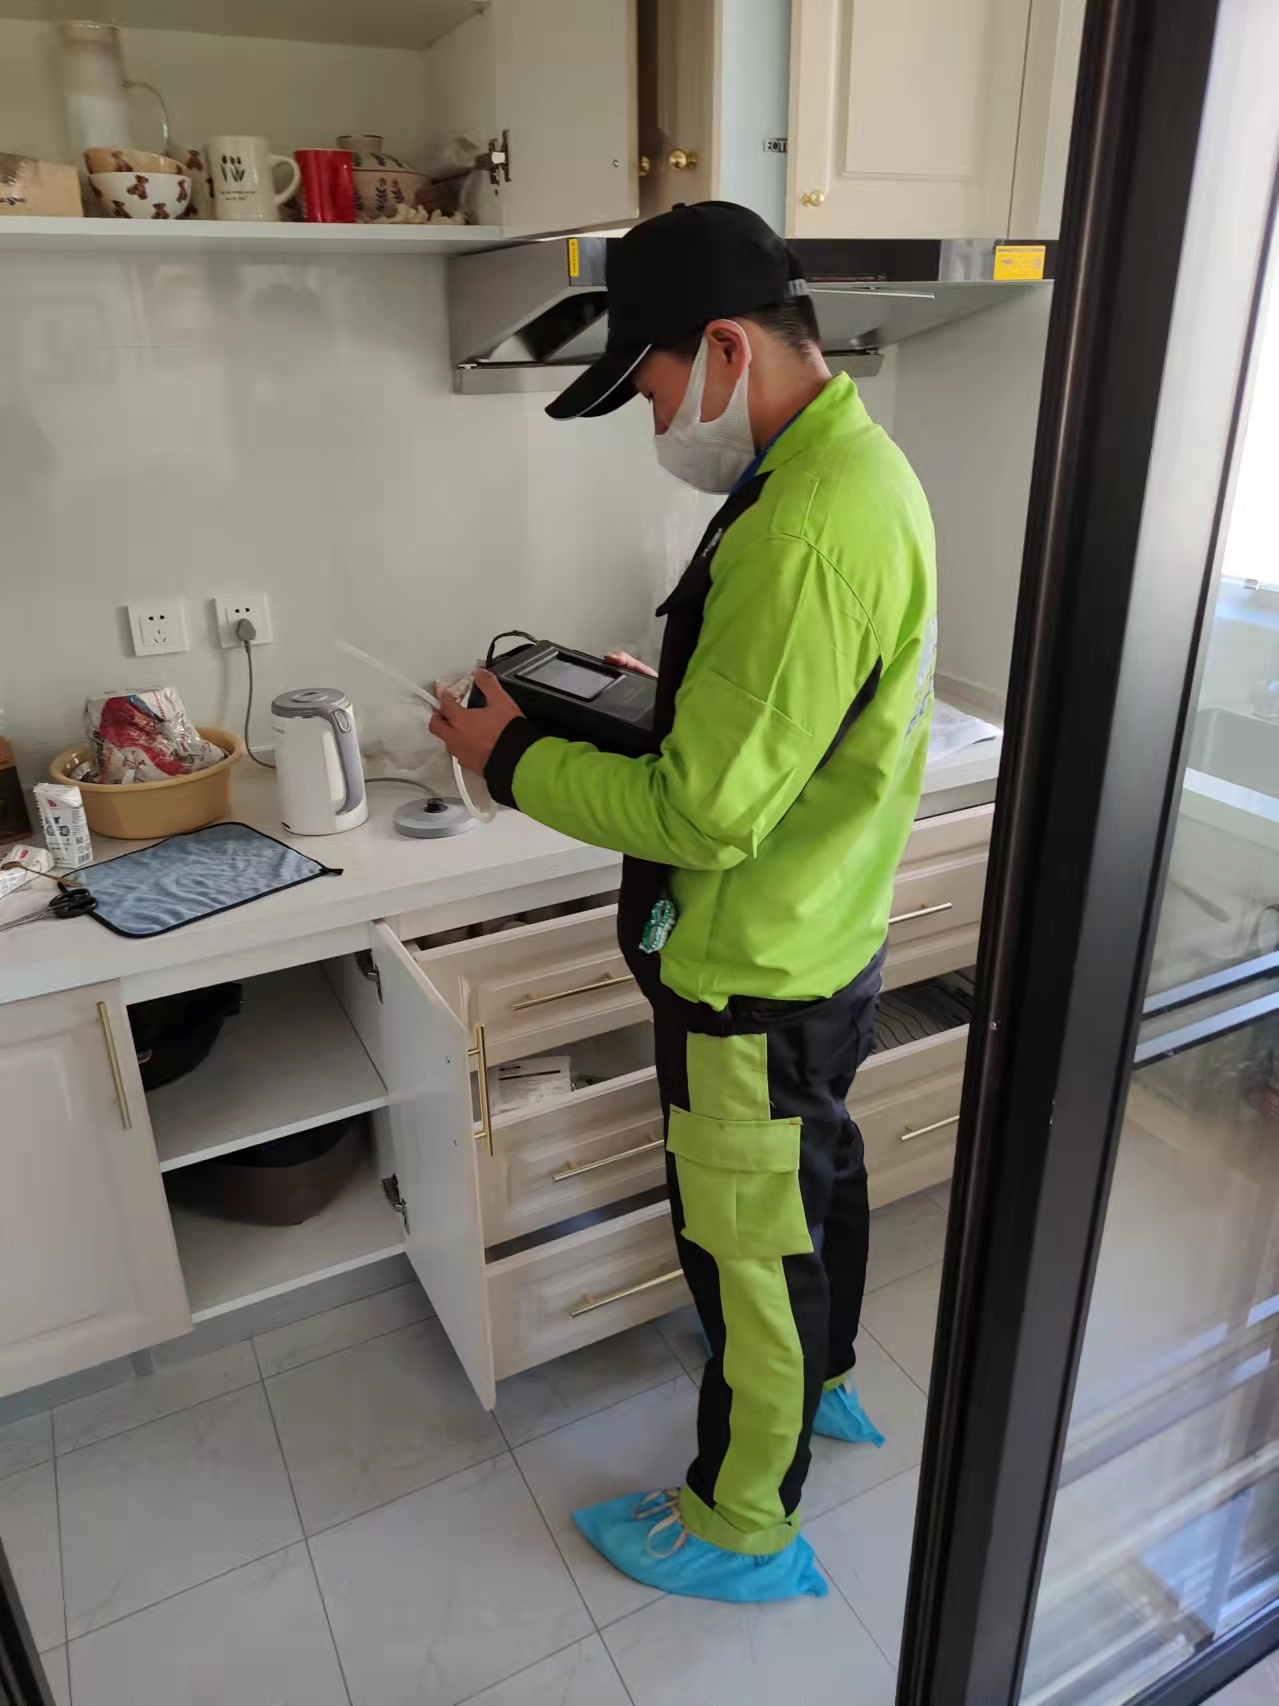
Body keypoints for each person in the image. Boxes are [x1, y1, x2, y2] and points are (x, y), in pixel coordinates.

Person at [431, 201, 937, 1603]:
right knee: (816, 1186)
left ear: (723, 347)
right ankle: (823, 1381)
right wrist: (675, 696)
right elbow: (797, 716)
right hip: (826, 932)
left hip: (750, 967)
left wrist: (509, 755)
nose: (658, 420)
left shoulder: (803, 526)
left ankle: (741, 1522)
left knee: (748, 1249)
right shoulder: (854, 466)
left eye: (652, 387)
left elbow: (706, 816)